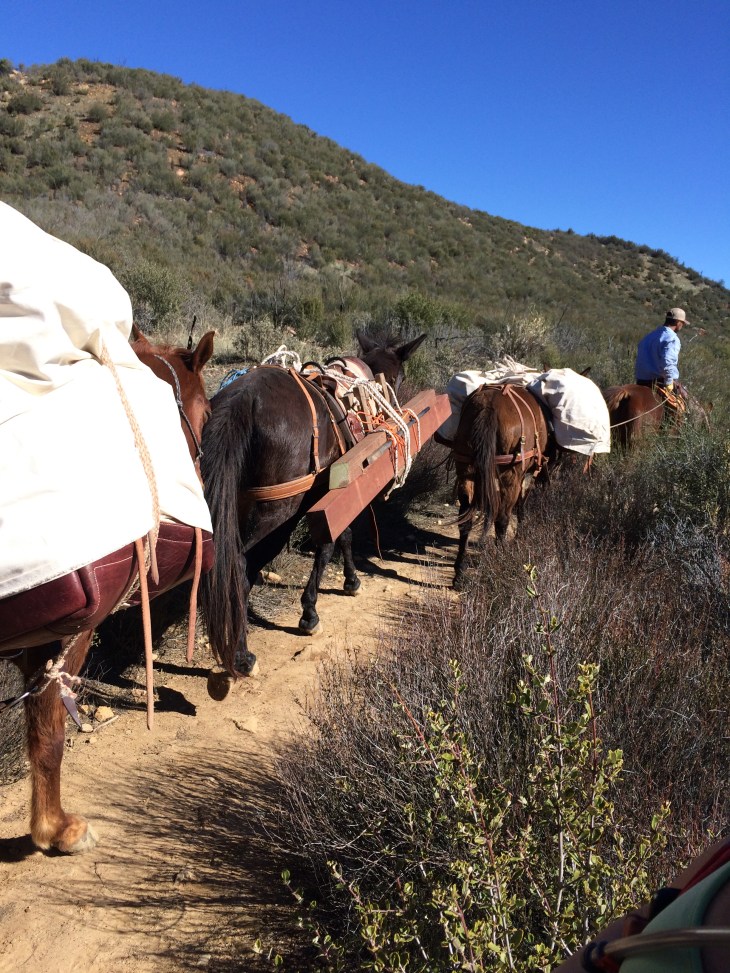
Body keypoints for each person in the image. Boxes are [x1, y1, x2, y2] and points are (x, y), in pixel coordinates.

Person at [635, 307, 688, 395]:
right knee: (688, 400)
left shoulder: (649, 336)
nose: (682, 326)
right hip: (659, 382)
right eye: (682, 323)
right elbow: (668, 361)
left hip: (640, 381)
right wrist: (669, 382)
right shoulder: (672, 338)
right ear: (678, 323)